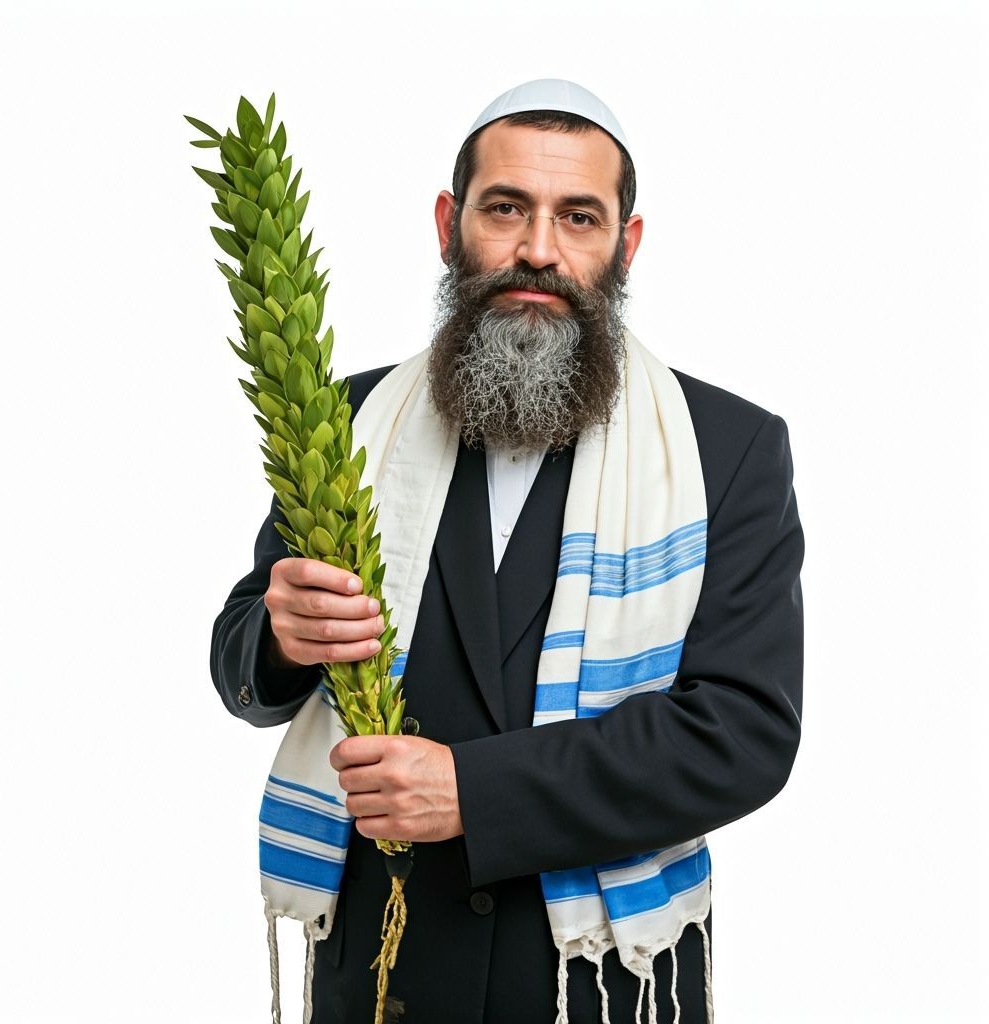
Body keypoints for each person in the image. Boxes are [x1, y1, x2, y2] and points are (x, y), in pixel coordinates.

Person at [210, 79, 804, 1024]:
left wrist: (473, 794)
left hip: (597, 986)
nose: (538, 249)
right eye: (505, 208)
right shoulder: (348, 419)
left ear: (626, 244)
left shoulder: (726, 449)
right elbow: (242, 662)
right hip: (383, 981)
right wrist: (280, 637)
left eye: (578, 216)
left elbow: (743, 733)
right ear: (450, 225)